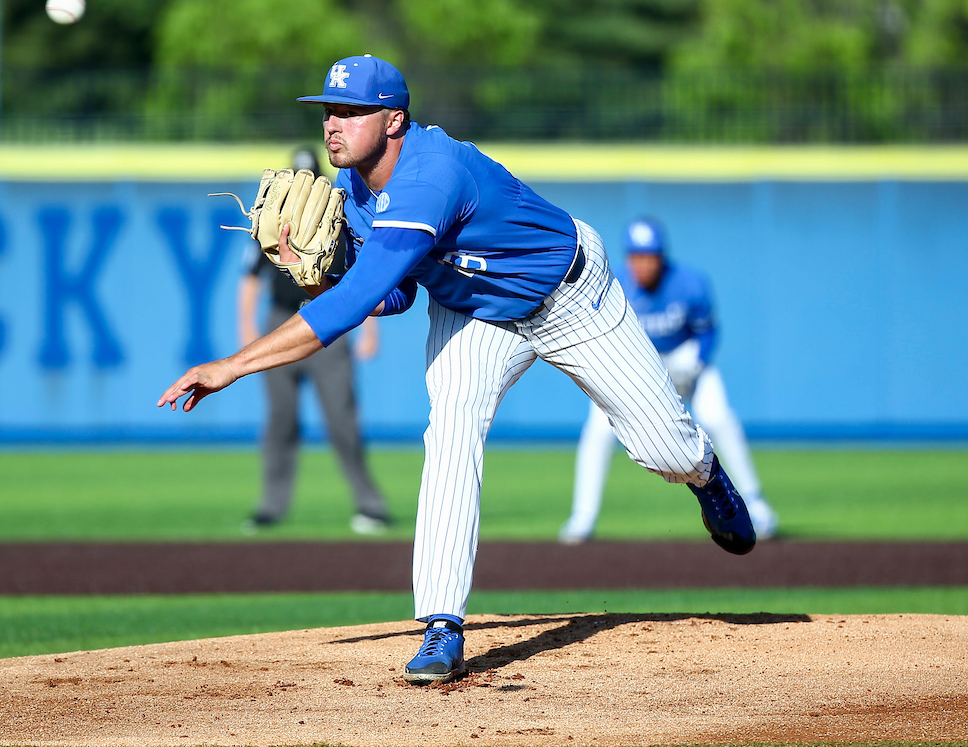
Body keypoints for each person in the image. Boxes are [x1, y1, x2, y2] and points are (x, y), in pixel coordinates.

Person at [159, 55, 757, 685]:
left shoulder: (431, 174)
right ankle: (441, 624)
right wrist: (330, 268)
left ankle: (706, 475)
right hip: (472, 314)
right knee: (449, 431)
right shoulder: (355, 194)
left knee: (665, 449)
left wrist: (234, 364)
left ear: (394, 120)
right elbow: (397, 295)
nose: (333, 123)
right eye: (328, 111)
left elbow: (356, 304)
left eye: (352, 111)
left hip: (568, 293)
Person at [559, 218, 779, 544]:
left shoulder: (689, 283)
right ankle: (583, 516)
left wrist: (699, 362)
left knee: (719, 418)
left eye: (649, 256)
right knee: (598, 429)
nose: (643, 264)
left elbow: (707, 331)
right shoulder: (613, 282)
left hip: (684, 361)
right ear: (628, 257)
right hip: (636, 367)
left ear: (662, 257)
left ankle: (756, 505)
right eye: (636, 256)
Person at [237, 147, 392, 536]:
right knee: (280, 421)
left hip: (329, 323)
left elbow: (364, 282)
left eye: (310, 176)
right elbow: (250, 279)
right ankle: (271, 506)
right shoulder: (271, 223)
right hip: (281, 321)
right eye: (299, 176)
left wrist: (369, 331)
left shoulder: (339, 219)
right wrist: (247, 329)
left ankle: (370, 505)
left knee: (343, 420)